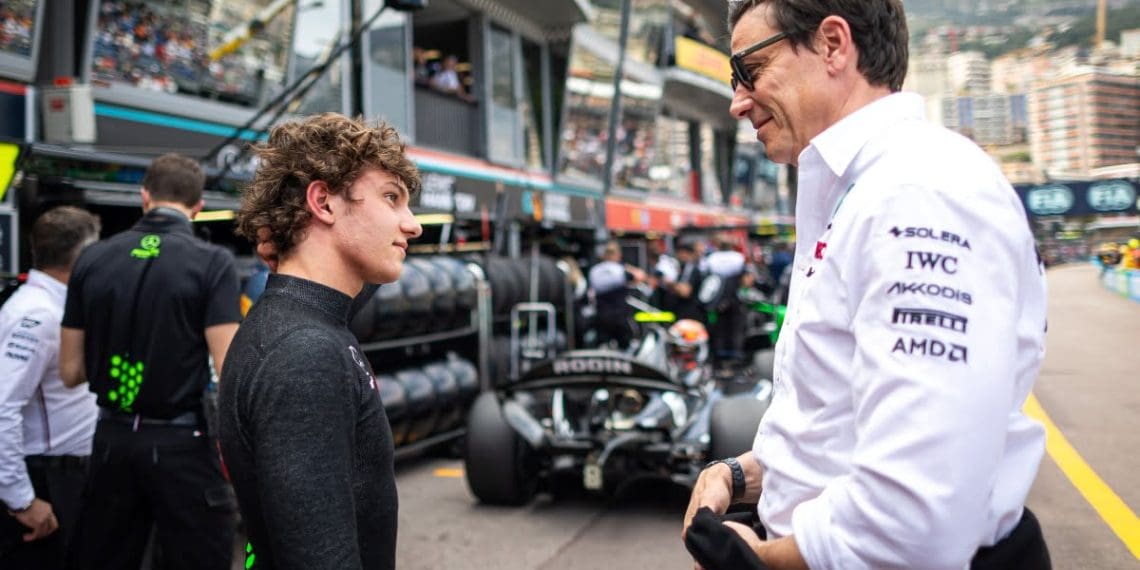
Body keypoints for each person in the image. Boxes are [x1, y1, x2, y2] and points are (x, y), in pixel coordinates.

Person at [683, 1, 1051, 569]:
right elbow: (839, 426)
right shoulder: (860, 191)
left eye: (748, 71)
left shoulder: (920, 190)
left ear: (833, 44)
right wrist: (741, 476)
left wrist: (763, 559)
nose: (737, 102)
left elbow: (917, 503)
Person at [219, 113, 422, 570]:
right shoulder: (303, 352)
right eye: (392, 198)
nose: (413, 225)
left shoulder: (299, 322)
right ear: (324, 203)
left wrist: (284, 231)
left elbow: (339, 293)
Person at [60, 154, 241, 570]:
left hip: (110, 441)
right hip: (181, 444)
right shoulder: (212, 263)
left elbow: (70, 372)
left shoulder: (91, 259)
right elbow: (229, 370)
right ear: (197, 206)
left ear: (144, 197)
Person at [0, 207, 100, 569]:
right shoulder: (38, 315)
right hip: (46, 481)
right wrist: (23, 500)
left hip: (65, 477)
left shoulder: (52, 306)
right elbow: (2, 407)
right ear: (82, 257)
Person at [587, 241, 644, 350]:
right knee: (627, 345)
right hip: (619, 315)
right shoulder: (620, 270)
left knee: (601, 345)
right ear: (618, 255)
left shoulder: (595, 270)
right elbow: (640, 276)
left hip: (601, 315)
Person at [704, 235, 747, 367]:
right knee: (735, 328)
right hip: (734, 297)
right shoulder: (738, 258)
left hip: (717, 298)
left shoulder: (712, 259)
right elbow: (745, 279)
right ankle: (735, 356)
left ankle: (719, 357)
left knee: (719, 328)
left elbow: (708, 278)